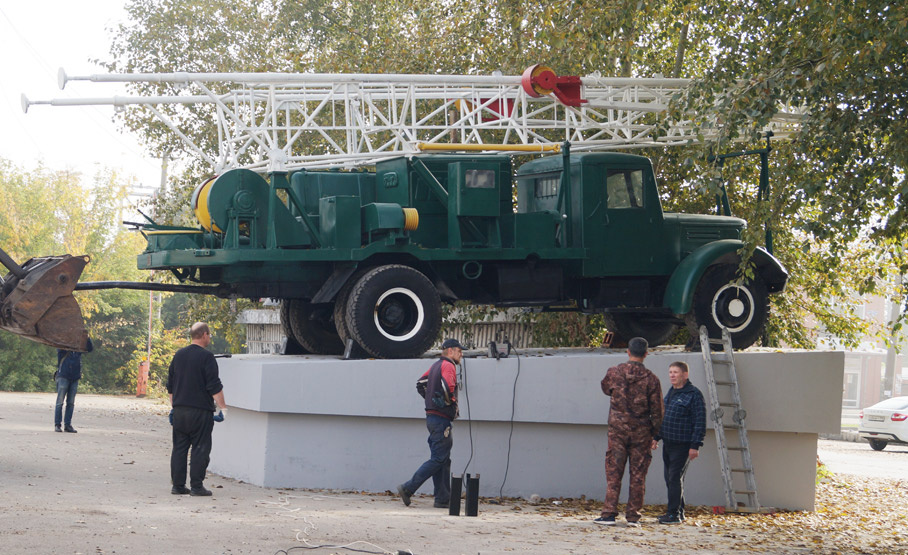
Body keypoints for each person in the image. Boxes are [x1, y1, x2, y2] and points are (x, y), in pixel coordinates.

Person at [596, 337, 664, 526]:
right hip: (641, 433)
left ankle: (609, 513)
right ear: (646, 354)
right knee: (638, 475)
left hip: (617, 431)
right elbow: (658, 411)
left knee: (614, 472)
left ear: (628, 352)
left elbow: (605, 389)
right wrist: (655, 433)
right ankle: (633, 516)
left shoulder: (614, 372)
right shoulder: (652, 379)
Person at [397, 338, 464, 509]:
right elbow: (448, 388)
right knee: (438, 458)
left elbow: (421, 384)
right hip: (441, 419)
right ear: (450, 351)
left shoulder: (435, 365)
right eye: (459, 351)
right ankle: (408, 488)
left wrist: (431, 401)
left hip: (432, 418)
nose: (461, 354)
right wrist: (448, 402)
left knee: (443, 459)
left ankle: (442, 499)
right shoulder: (449, 365)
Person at [166, 322, 226, 497]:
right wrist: (223, 408)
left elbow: (170, 385)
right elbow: (214, 386)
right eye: (210, 335)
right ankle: (197, 486)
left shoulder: (178, 355)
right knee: (200, 448)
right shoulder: (207, 358)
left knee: (179, 448)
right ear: (205, 335)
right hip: (200, 412)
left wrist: (174, 407)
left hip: (179, 411)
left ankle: (177, 486)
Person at [654, 360, 706, 525]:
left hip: (683, 445)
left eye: (675, 372)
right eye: (670, 372)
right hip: (668, 443)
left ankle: (673, 515)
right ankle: (679, 512)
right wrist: (656, 437)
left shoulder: (694, 394)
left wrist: (695, 446)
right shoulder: (672, 392)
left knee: (674, 478)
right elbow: (664, 418)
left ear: (685, 374)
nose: (672, 375)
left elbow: (700, 422)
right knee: (670, 478)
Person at [54, 337, 94, 433]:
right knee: (60, 402)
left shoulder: (78, 349)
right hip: (63, 376)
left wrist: (87, 337)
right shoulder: (63, 347)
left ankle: (68, 425)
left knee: (71, 403)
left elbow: (90, 348)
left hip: (74, 377)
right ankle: (57, 424)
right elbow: (58, 343)